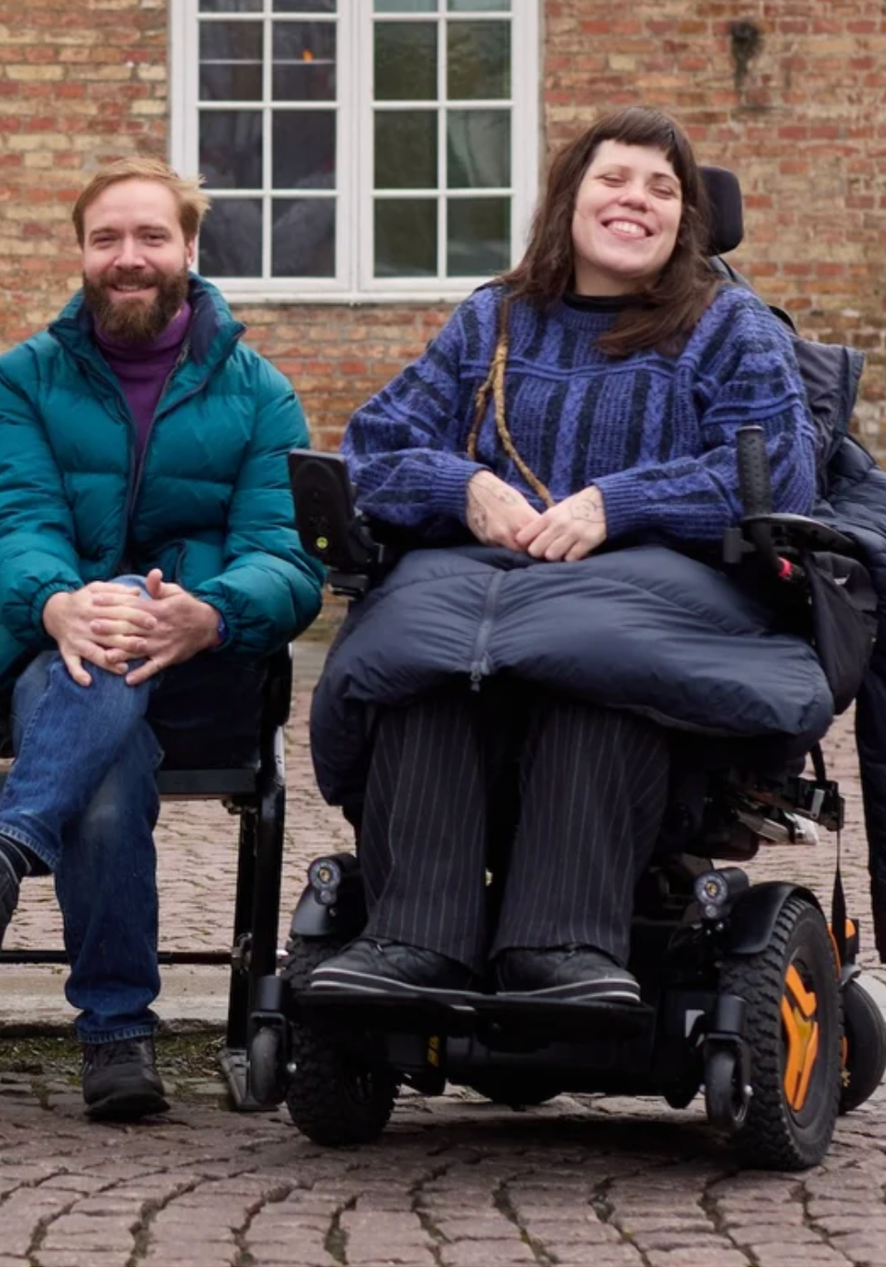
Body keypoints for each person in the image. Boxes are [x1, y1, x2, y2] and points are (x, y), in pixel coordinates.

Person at [307, 106, 819, 1005]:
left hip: (650, 606)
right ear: (569, 200)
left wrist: (617, 505)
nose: (636, 200)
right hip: (481, 597)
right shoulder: (494, 321)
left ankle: (562, 944)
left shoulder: (730, 328)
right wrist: (463, 486)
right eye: (613, 179)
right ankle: (412, 940)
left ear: (686, 218)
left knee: (589, 659)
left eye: (662, 189)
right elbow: (373, 450)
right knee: (427, 658)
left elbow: (778, 471)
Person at [0, 157, 325, 1122]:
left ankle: (2, 868)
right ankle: (116, 1035)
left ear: (189, 248)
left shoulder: (261, 393)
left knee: (118, 622)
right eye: (106, 238)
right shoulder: (23, 379)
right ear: (80, 252)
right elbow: (13, 524)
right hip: (62, 662)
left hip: (206, 680)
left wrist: (209, 612)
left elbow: (285, 557)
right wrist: (57, 603)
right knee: (107, 766)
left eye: (151, 236)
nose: (129, 257)